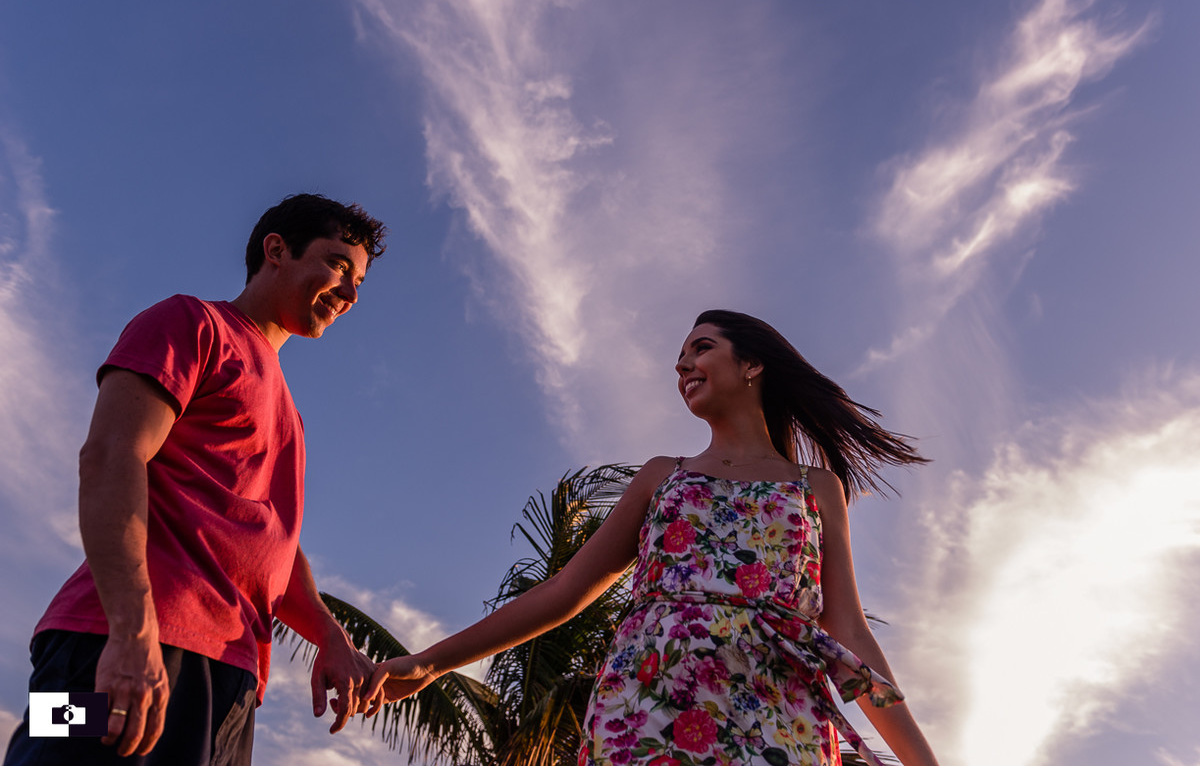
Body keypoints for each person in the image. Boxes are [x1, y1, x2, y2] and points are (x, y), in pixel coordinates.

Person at [363, 310, 940, 765]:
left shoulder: (817, 487)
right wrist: (431, 664)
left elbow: (849, 632)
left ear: (752, 365)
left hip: (779, 709)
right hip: (649, 704)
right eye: (679, 356)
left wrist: (924, 763)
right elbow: (563, 592)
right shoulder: (664, 474)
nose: (681, 364)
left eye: (701, 348)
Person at [4, 193, 388, 766]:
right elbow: (111, 456)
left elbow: (272, 542)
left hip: (229, 688)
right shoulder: (192, 323)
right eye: (337, 265)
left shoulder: (289, 412)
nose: (351, 293)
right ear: (276, 250)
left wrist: (330, 633)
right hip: (112, 648)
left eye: (358, 280)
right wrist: (130, 635)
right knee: (50, 737)